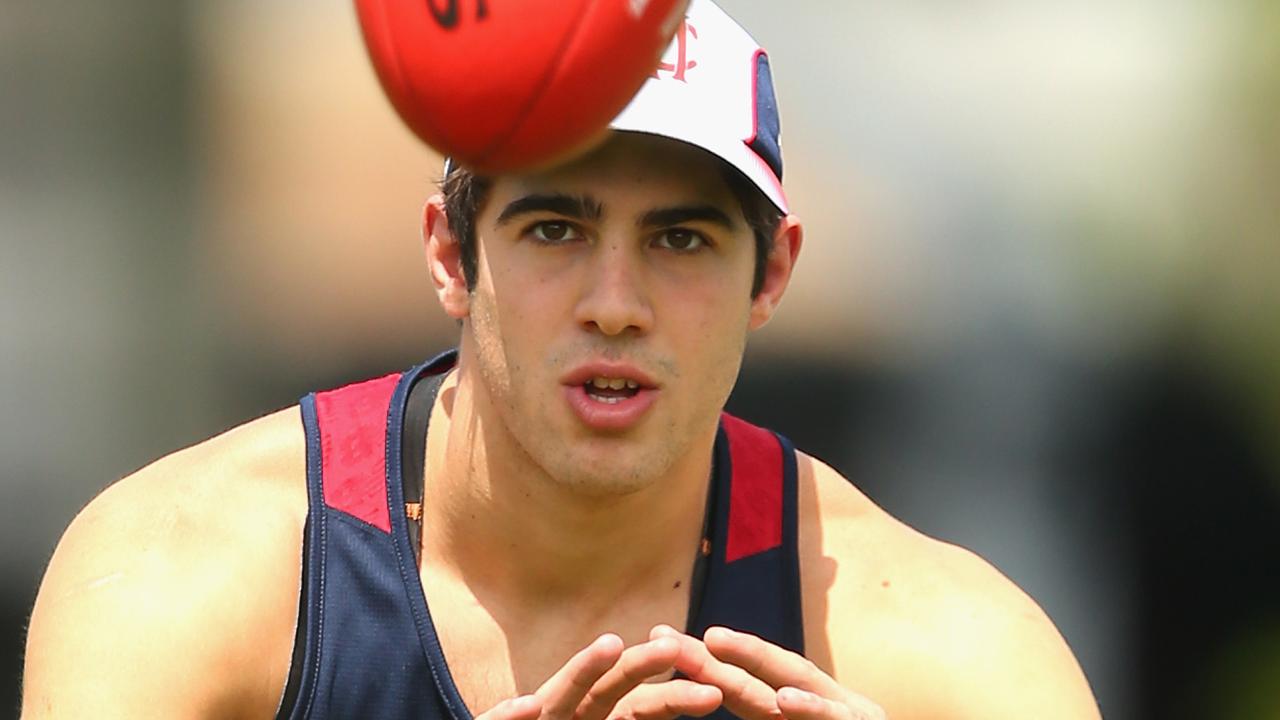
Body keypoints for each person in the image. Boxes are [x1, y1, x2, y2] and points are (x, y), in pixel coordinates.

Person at [20, 1, 1100, 718]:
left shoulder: (943, 652)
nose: (615, 305)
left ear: (771, 276)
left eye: (680, 239)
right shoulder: (182, 576)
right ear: (451, 253)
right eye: (554, 230)